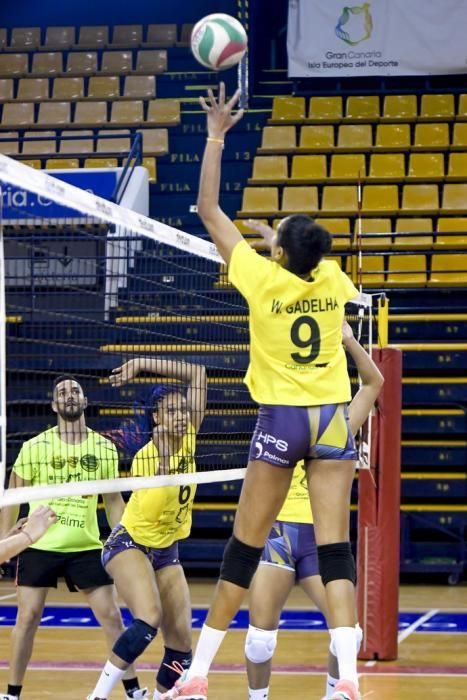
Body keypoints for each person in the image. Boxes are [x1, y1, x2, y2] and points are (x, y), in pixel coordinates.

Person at [161, 83, 363, 700]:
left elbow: (206, 209)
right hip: (331, 418)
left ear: (276, 253)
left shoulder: (258, 279)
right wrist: (275, 236)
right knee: (336, 553)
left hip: (283, 418)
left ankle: (197, 675)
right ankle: (349, 678)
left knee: (244, 549)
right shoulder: (332, 275)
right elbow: (295, 244)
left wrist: (217, 134)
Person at [245, 318, 384, 700]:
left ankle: (333, 694)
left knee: (349, 636)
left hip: (320, 542)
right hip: (277, 536)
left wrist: (349, 342)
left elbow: (374, 383)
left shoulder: (338, 425)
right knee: (259, 641)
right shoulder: (278, 417)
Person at [0, 375, 145, 700]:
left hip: (86, 546)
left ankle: (133, 690)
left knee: (111, 616)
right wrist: (4, 541)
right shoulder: (34, 447)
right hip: (39, 546)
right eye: (62, 392)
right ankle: (11, 694)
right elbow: (13, 492)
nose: (69, 395)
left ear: (84, 401)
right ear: (54, 404)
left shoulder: (104, 449)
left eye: (75, 391)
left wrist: (126, 543)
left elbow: (113, 502)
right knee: (27, 617)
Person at [87, 356, 207, 700]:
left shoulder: (190, 436)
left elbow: (196, 372)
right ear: (156, 417)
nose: (182, 416)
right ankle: (97, 695)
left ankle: (160, 696)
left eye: (184, 410)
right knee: (148, 621)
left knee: (182, 647)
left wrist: (140, 363)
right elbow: (156, 492)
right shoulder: (146, 457)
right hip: (129, 545)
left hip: (167, 550)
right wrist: (165, 462)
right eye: (172, 412)